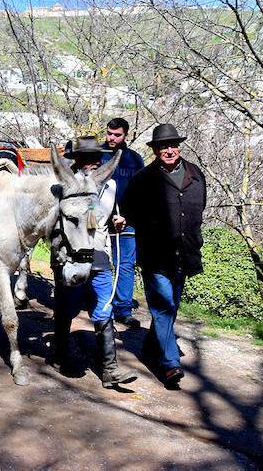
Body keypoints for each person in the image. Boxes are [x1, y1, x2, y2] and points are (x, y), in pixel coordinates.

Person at [122, 123, 206, 388]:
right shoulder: (144, 179)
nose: (169, 150)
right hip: (155, 255)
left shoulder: (195, 174)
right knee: (163, 306)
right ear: (155, 150)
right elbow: (129, 211)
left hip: (185, 253)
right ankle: (170, 365)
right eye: (163, 147)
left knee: (171, 308)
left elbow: (199, 207)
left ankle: (150, 348)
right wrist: (122, 221)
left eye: (173, 145)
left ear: (178, 147)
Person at [50, 137, 139, 389]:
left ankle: (110, 369)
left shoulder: (109, 186)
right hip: (70, 259)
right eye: (89, 158)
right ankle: (60, 356)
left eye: (97, 158)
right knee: (66, 308)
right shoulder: (62, 186)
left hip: (100, 258)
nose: (95, 162)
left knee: (103, 310)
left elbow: (105, 218)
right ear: (77, 160)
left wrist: (118, 222)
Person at [100, 117, 146, 329]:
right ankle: (98, 305)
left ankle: (123, 310)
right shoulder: (97, 155)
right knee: (96, 264)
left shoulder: (135, 160)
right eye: (110, 133)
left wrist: (126, 216)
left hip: (126, 221)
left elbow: (141, 194)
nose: (112, 138)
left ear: (126, 136)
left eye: (117, 135)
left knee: (125, 265)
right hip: (98, 220)